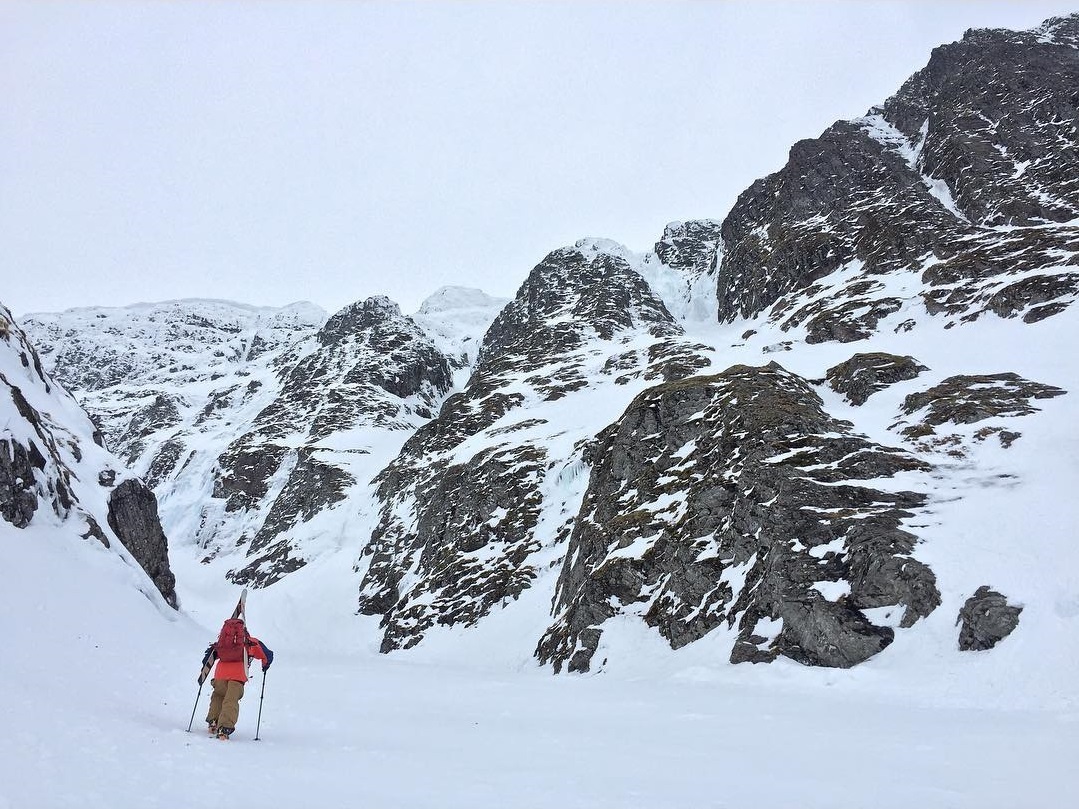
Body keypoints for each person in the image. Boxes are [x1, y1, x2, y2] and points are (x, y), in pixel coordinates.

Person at [198, 621, 273, 740]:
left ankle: (213, 721)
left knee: (218, 695)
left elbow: (210, 654)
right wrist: (265, 666)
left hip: (220, 674)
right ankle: (224, 728)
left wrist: (204, 669)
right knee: (230, 700)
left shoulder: (224, 642)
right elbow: (268, 655)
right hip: (237, 676)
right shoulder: (251, 642)